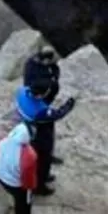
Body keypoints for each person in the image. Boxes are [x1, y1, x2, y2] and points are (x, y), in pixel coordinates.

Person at [15, 49, 75, 196]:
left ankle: (40, 175)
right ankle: (39, 185)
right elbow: (58, 114)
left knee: (38, 154)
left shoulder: (22, 93)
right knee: (42, 157)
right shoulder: (40, 110)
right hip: (38, 129)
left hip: (29, 125)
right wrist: (69, 104)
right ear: (41, 94)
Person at [0, 121, 39, 214]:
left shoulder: (3, 141)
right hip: (16, 184)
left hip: (1, 176)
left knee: (17, 199)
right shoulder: (29, 155)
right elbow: (28, 181)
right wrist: (32, 190)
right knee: (25, 207)